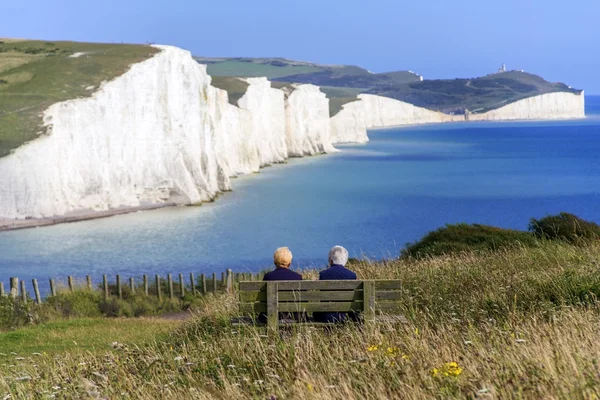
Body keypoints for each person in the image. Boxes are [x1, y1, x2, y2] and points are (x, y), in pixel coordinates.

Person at [313, 245, 358, 323]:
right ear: (345, 260)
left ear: (331, 261)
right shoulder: (352, 275)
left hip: (326, 316)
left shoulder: (323, 275)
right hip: (346, 316)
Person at [259, 247, 303, 323]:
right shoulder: (297, 277)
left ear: (274, 262)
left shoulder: (268, 277)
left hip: (271, 316)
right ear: (289, 263)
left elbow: (262, 299)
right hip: (294, 317)